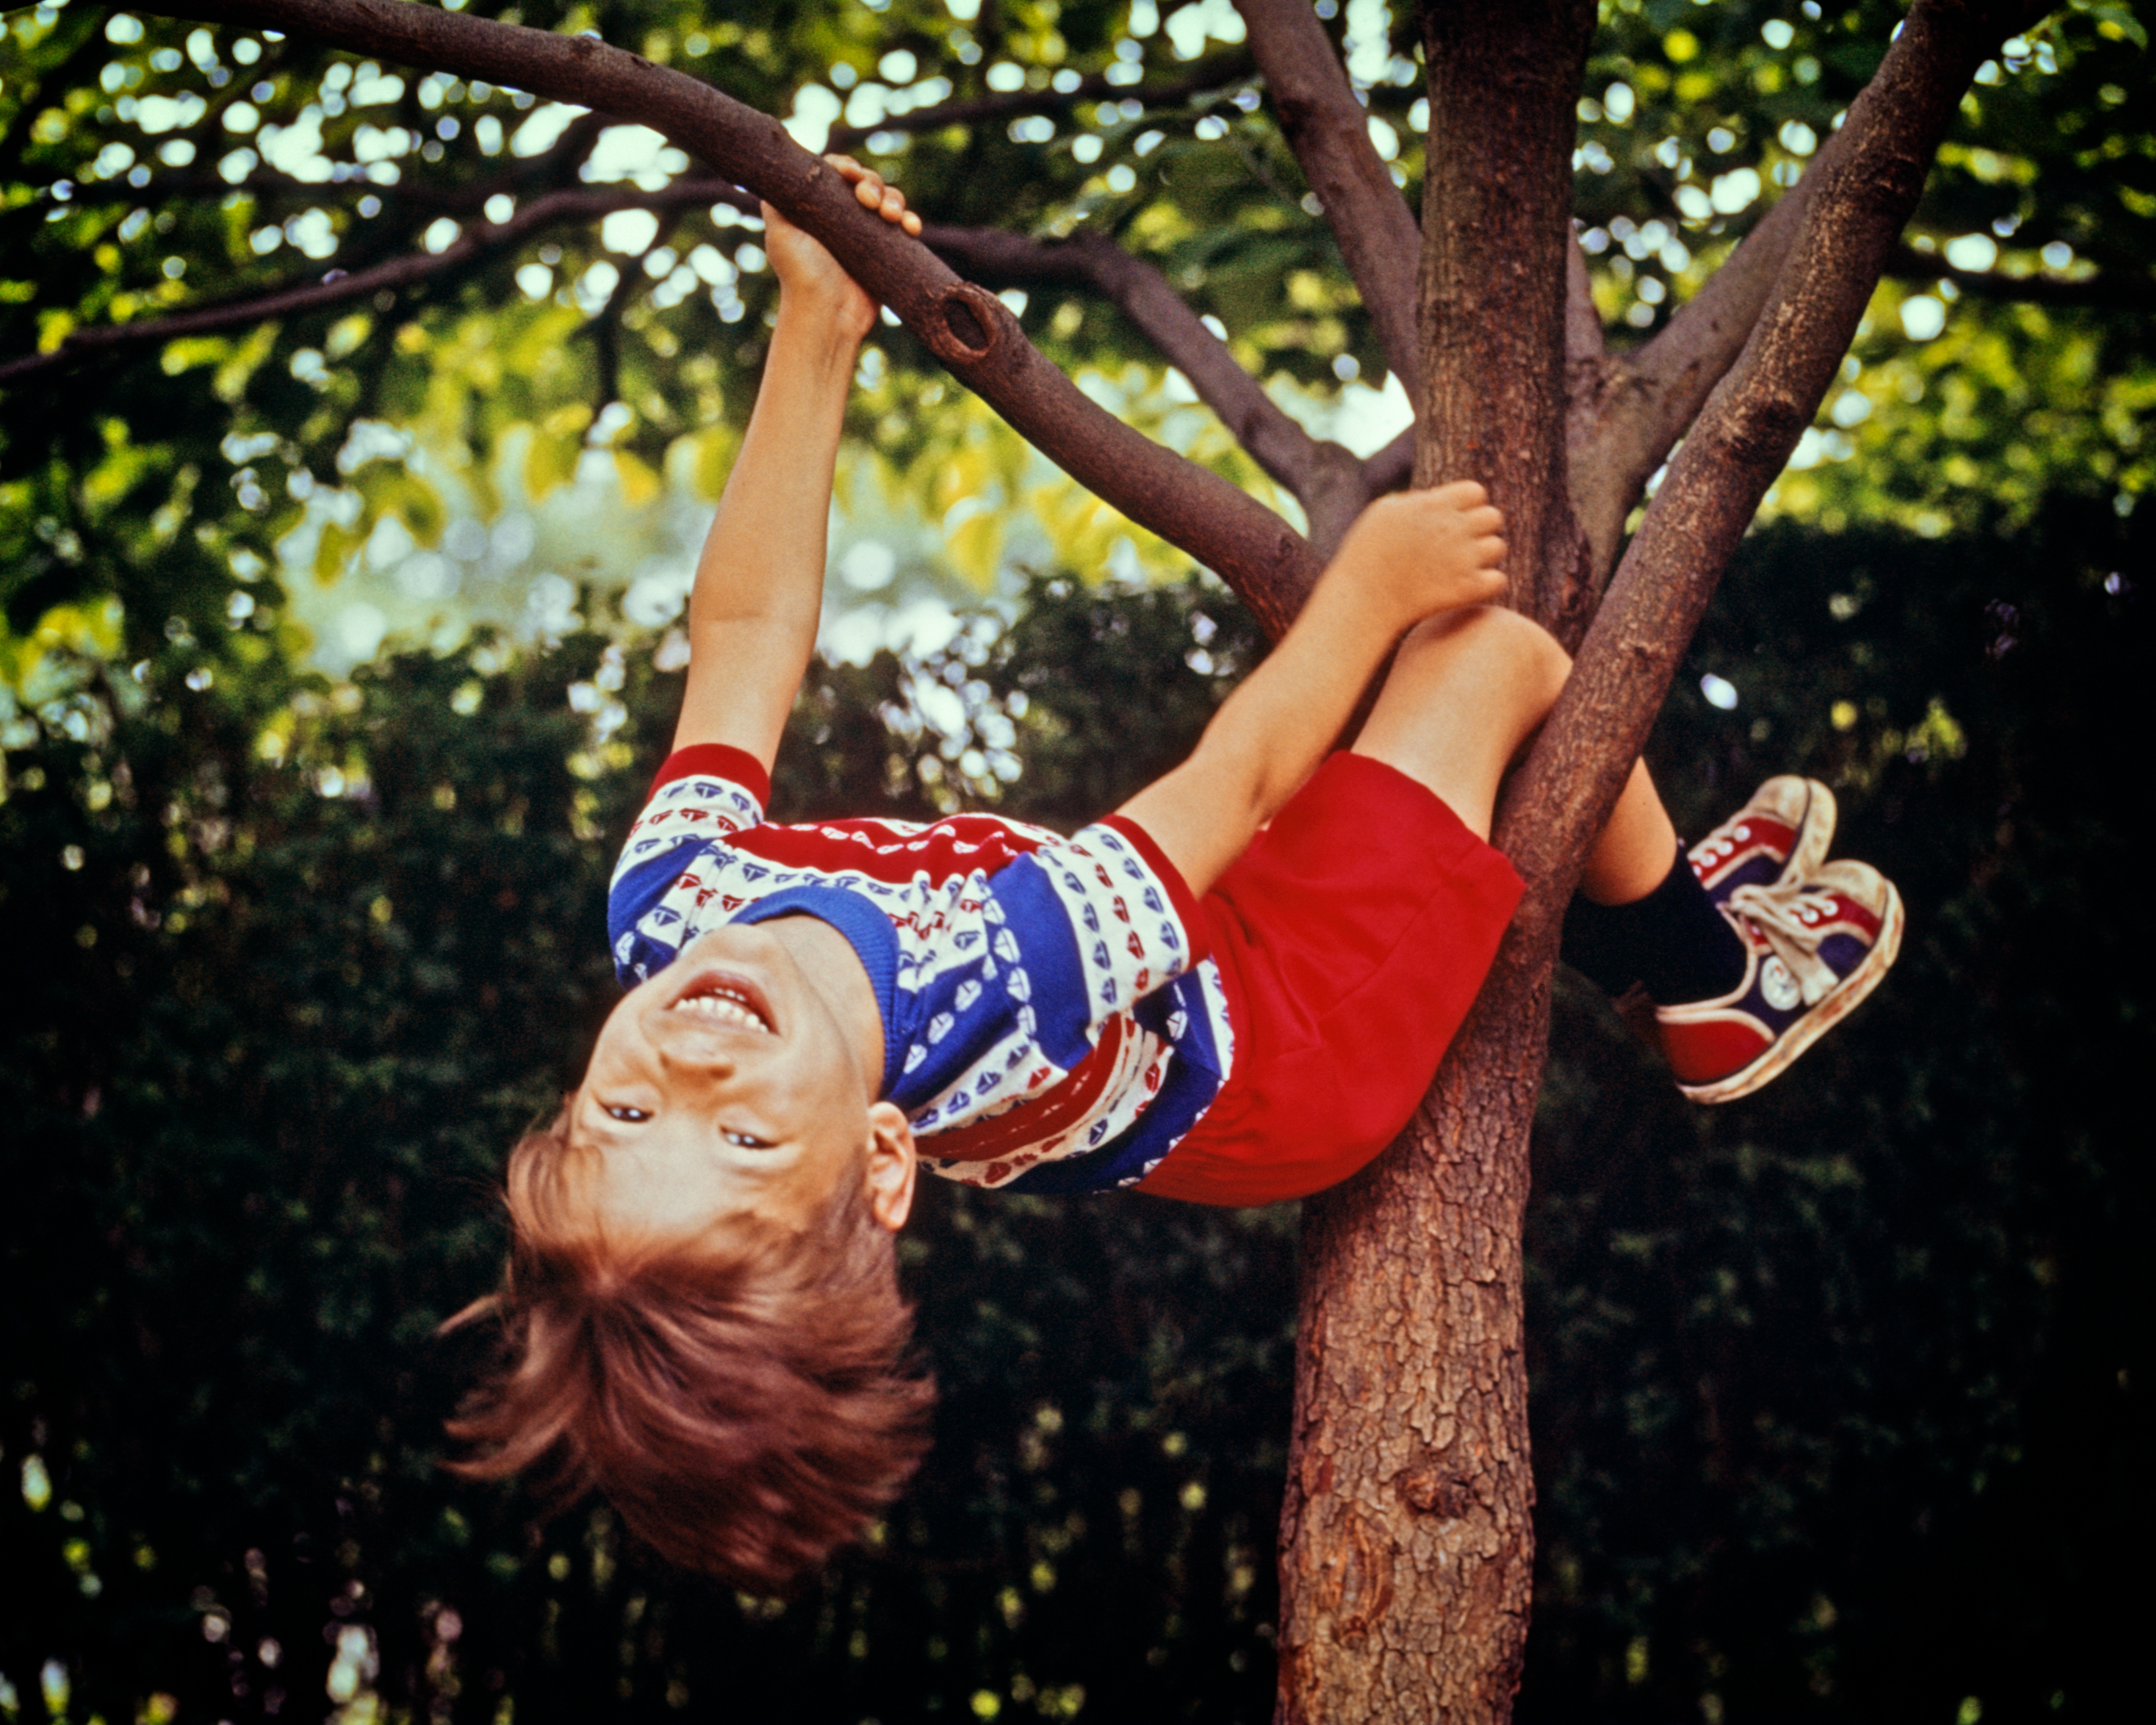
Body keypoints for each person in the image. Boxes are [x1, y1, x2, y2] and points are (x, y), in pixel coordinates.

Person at [445, 157, 1902, 1590]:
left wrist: (816, 320)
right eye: (747, 1145)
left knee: (1464, 704)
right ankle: (1713, 987)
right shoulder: (993, 983)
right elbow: (1230, 788)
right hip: (1287, 1042)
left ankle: (1640, 917)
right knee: (1503, 657)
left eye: (624, 1109)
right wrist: (1363, 594)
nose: (688, 1071)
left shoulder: (671, 907)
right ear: (884, 1160)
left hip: (1195, 945)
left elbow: (746, 637)